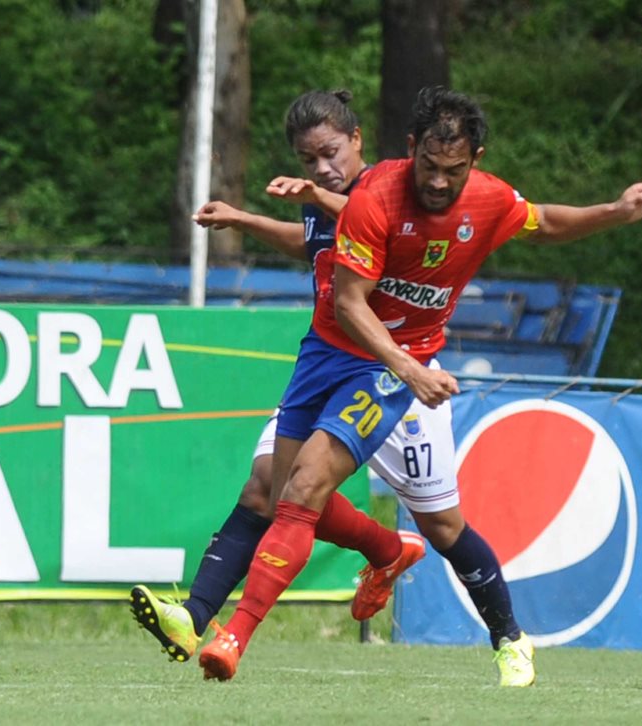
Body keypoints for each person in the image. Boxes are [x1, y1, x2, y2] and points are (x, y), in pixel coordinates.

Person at [197, 86, 642, 684]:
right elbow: (350, 303)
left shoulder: (489, 199)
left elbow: (546, 222)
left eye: (453, 170)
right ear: (411, 149)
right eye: (429, 166)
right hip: (348, 353)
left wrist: (616, 210)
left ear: (474, 159)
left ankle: (508, 637)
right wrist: (412, 371)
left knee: (431, 522)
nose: (438, 181)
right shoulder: (374, 198)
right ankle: (289, 601)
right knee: (286, 491)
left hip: (396, 368)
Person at [129, 89, 536, 687]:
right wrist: (244, 220)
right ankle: (195, 618)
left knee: (444, 527)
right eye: (308, 159)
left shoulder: (387, 193)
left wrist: (320, 198)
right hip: (335, 366)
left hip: (398, 376)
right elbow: (312, 239)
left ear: (359, 143)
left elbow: (357, 222)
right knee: (274, 485)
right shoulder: (327, 202)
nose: (322, 168)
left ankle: (508, 636)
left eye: (331, 153)